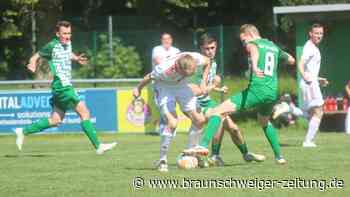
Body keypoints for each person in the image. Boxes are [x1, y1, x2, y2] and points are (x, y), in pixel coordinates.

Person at [185, 24, 295, 165]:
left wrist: (254, 65)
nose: (244, 44)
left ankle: (203, 146)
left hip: (256, 91)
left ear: (250, 34)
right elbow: (291, 59)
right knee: (264, 122)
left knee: (218, 112)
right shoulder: (273, 46)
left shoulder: (253, 44)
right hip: (272, 93)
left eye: (244, 40)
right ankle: (279, 156)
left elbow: (253, 49)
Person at [14, 21, 117, 155]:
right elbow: (36, 56)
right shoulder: (52, 45)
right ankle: (98, 146)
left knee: (55, 120)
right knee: (84, 113)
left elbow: (68, 54)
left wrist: (76, 58)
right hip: (63, 86)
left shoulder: (67, 43)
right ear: (58, 34)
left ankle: (23, 131)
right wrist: (32, 64)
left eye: (69, 33)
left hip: (59, 87)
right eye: (64, 34)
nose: (67, 36)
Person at [186, 33, 265, 166]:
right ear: (201, 49)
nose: (210, 51)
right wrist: (212, 85)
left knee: (234, 128)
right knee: (219, 118)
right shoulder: (198, 64)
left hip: (207, 100)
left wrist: (217, 88)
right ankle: (211, 154)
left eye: (212, 48)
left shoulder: (213, 63)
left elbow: (205, 86)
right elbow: (194, 86)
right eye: (206, 48)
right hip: (196, 103)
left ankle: (245, 154)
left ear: (216, 47)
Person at [133, 52, 210, 172]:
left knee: (200, 120)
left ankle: (190, 154)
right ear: (179, 69)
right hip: (164, 88)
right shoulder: (163, 69)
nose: (191, 74)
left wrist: (203, 82)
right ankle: (162, 160)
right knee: (173, 123)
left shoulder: (193, 58)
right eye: (188, 74)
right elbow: (149, 77)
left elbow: (207, 61)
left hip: (182, 86)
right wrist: (138, 88)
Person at [298, 23, 328, 147]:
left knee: (312, 113)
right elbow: (301, 63)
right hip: (309, 83)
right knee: (319, 111)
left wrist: (318, 79)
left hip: (310, 81)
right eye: (316, 33)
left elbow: (309, 69)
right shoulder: (309, 47)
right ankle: (308, 141)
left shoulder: (313, 47)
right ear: (310, 34)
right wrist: (306, 76)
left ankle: (292, 110)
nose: (319, 35)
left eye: (321, 33)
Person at [151, 32, 180, 134]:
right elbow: (158, 61)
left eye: (168, 39)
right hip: (159, 82)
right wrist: (171, 63)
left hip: (172, 83)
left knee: (171, 105)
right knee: (160, 105)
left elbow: (179, 65)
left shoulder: (176, 50)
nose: (166, 41)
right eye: (164, 39)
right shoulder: (157, 49)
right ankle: (164, 126)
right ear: (161, 40)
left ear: (171, 40)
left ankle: (170, 128)